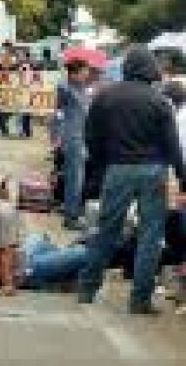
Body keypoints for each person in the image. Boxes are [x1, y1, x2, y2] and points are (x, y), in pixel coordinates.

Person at [78, 46, 186, 315]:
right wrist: (183, 178)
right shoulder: (160, 102)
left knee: (107, 230)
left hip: (118, 169)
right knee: (151, 236)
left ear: (126, 68)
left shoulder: (106, 97)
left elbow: (91, 136)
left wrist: (102, 163)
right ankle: (139, 301)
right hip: (153, 171)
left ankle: (87, 289)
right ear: (150, 69)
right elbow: (173, 146)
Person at [56, 59, 92, 230]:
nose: (87, 74)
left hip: (80, 137)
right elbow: (55, 112)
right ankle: (71, 217)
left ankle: (69, 208)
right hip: (72, 138)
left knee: (74, 176)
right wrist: (56, 136)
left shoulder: (82, 90)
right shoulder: (64, 88)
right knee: (75, 178)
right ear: (74, 73)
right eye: (85, 71)